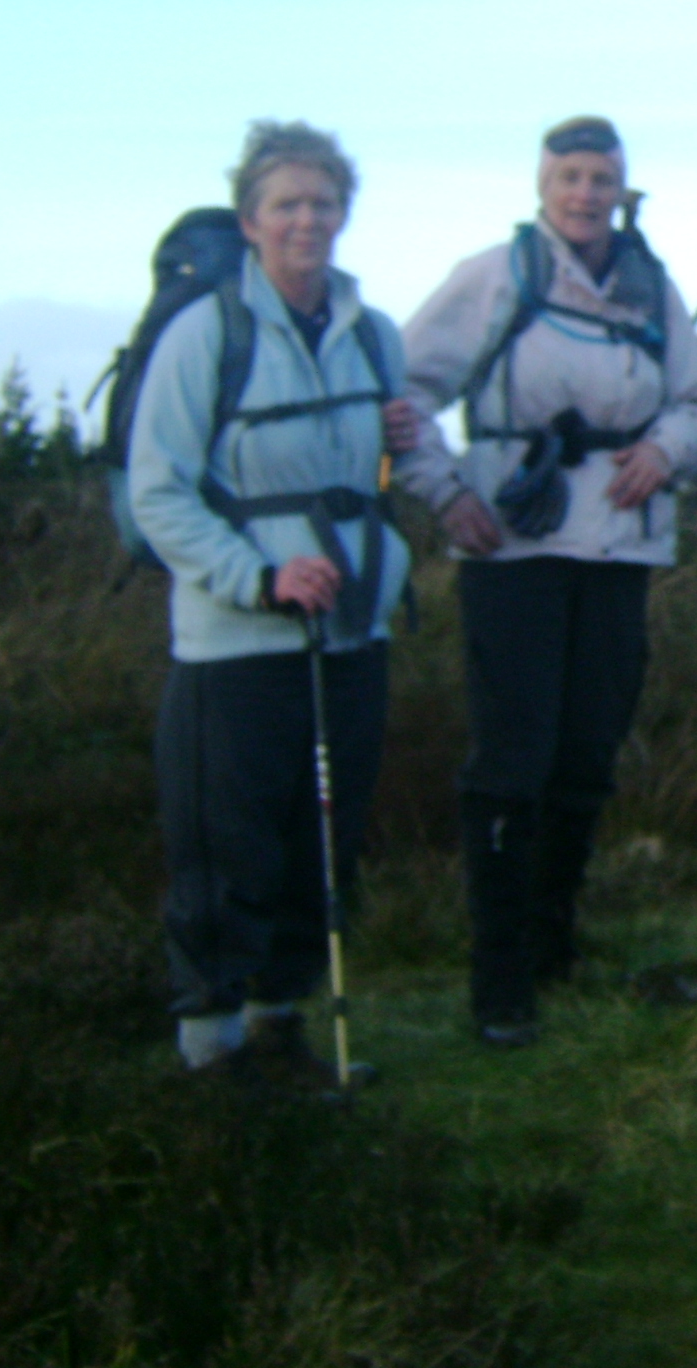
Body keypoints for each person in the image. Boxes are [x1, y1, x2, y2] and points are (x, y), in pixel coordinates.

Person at [396, 116, 697, 1045]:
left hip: (621, 550)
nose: (585, 193)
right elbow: (404, 397)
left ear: (623, 188)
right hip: (514, 551)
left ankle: (553, 945)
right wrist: (445, 492)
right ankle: (498, 982)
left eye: (601, 178)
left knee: (586, 757)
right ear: (542, 187)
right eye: (569, 176)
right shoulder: (495, 278)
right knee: (512, 763)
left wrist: (666, 449)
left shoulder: (655, 288)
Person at [127, 119, 419, 1086]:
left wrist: (399, 442)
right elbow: (158, 491)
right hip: (234, 643)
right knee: (227, 845)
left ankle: (281, 1023)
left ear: (344, 213)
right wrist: (257, 575)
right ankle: (209, 1054)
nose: (307, 220)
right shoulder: (206, 333)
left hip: (350, 632)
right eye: (286, 204)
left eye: (322, 202)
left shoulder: (372, 333)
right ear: (249, 221)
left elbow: (376, 472)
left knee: (321, 838)